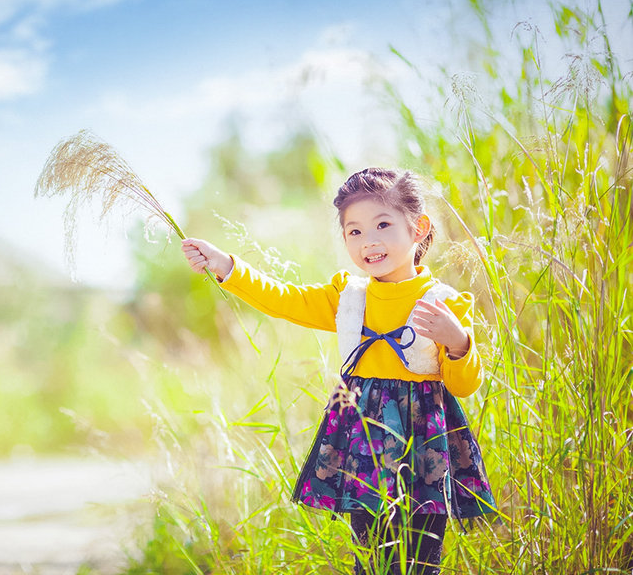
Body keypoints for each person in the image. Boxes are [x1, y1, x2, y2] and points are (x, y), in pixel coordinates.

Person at [181, 168, 496, 574]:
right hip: (361, 443)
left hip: (424, 450)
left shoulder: (443, 302)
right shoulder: (349, 296)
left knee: (420, 562)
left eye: (383, 224)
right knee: (369, 557)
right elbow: (286, 299)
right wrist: (227, 265)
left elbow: (464, 385)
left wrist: (458, 343)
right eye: (355, 231)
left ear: (418, 228)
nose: (370, 241)